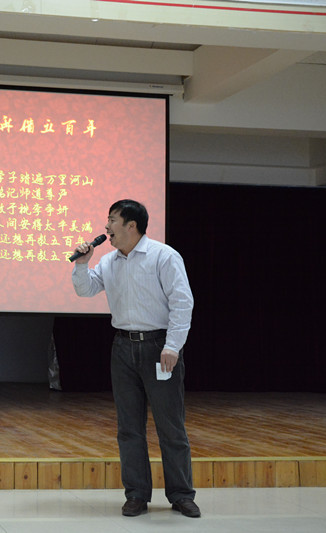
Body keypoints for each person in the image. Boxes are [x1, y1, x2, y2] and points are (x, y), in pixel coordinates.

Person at [71, 199, 200, 518]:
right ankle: (137, 495)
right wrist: (82, 264)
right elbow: (86, 290)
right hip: (123, 348)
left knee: (170, 426)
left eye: (112, 220)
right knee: (129, 427)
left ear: (132, 225)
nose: (106, 228)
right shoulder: (109, 261)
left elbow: (182, 302)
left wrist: (173, 346)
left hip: (159, 347)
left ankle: (181, 494)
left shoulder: (163, 256)